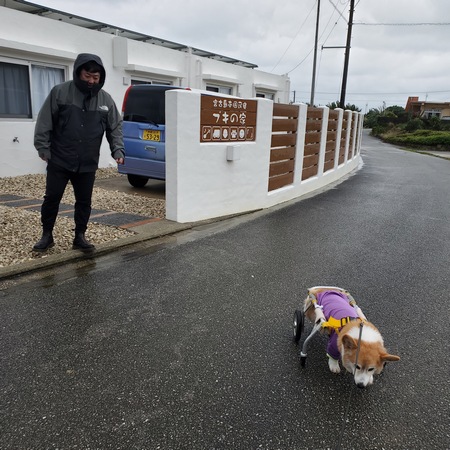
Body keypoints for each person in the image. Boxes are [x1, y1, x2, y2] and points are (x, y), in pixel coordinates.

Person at [33, 53, 125, 253]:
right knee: (52, 198)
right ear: (78, 73)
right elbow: (45, 121)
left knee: (84, 201)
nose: (91, 81)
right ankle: (47, 235)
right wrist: (43, 147)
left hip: (87, 161)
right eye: (87, 76)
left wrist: (117, 149)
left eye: (96, 77)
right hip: (60, 158)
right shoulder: (60, 92)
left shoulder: (106, 100)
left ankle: (80, 236)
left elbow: (115, 127)